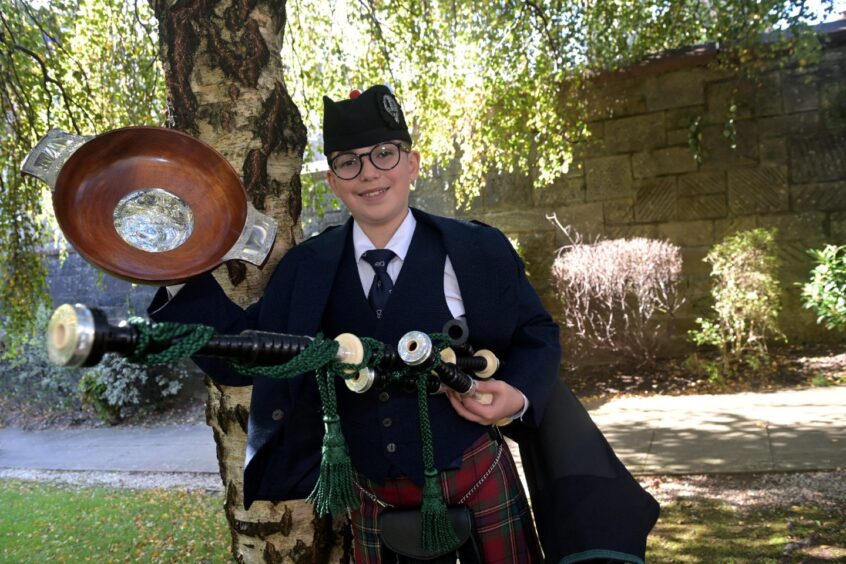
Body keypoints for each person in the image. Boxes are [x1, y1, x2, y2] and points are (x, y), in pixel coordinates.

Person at [149, 85, 658, 563]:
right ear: (332, 179)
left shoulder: (477, 251)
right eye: (349, 162)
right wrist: (173, 272)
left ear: (411, 164)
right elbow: (244, 355)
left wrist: (517, 395)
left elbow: (537, 335)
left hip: (478, 474)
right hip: (375, 496)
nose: (369, 174)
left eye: (384, 154)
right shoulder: (307, 268)